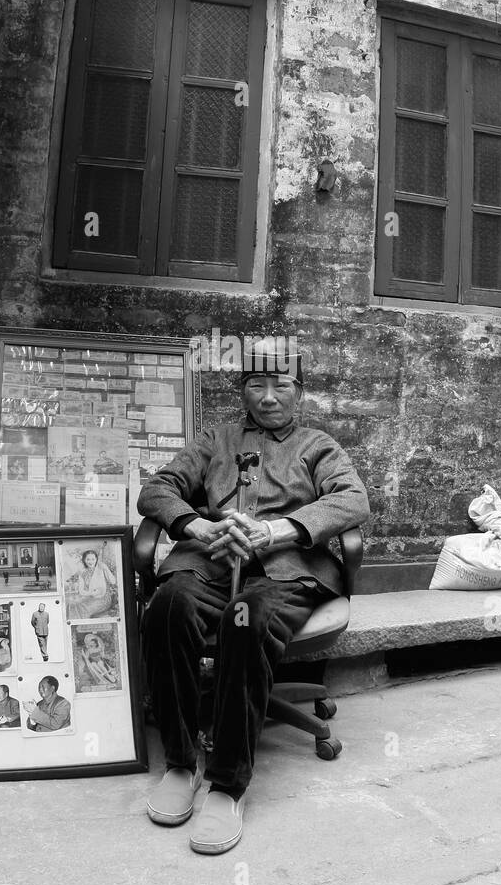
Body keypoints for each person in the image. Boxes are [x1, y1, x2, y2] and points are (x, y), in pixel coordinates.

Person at [138, 341, 369, 855]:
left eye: (280, 385)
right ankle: (181, 762)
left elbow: (353, 500)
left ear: (299, 392)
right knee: (168, 608)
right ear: (242, 391)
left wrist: (279, 531)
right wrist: (197, 526)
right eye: (256, 385)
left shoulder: (317, 445)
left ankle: (227, 785)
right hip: (212, 560)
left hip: (284, 570)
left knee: (246, 621)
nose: (267, 397)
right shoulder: (215, 440)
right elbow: (157, 489)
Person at [65, 546, 116, 620]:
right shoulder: (83, 573)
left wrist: (106, 568)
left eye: (93, 559)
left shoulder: (101, 569)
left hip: (103, 599)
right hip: (89, 597)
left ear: (96, 559)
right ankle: (75, 628)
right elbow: (81, 591)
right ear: (84, 560)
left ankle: (83, 627)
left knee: (81, 608)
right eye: (88, 559)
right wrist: (91, 593)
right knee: (71, 605)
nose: (90, 561)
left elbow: (113, 581)